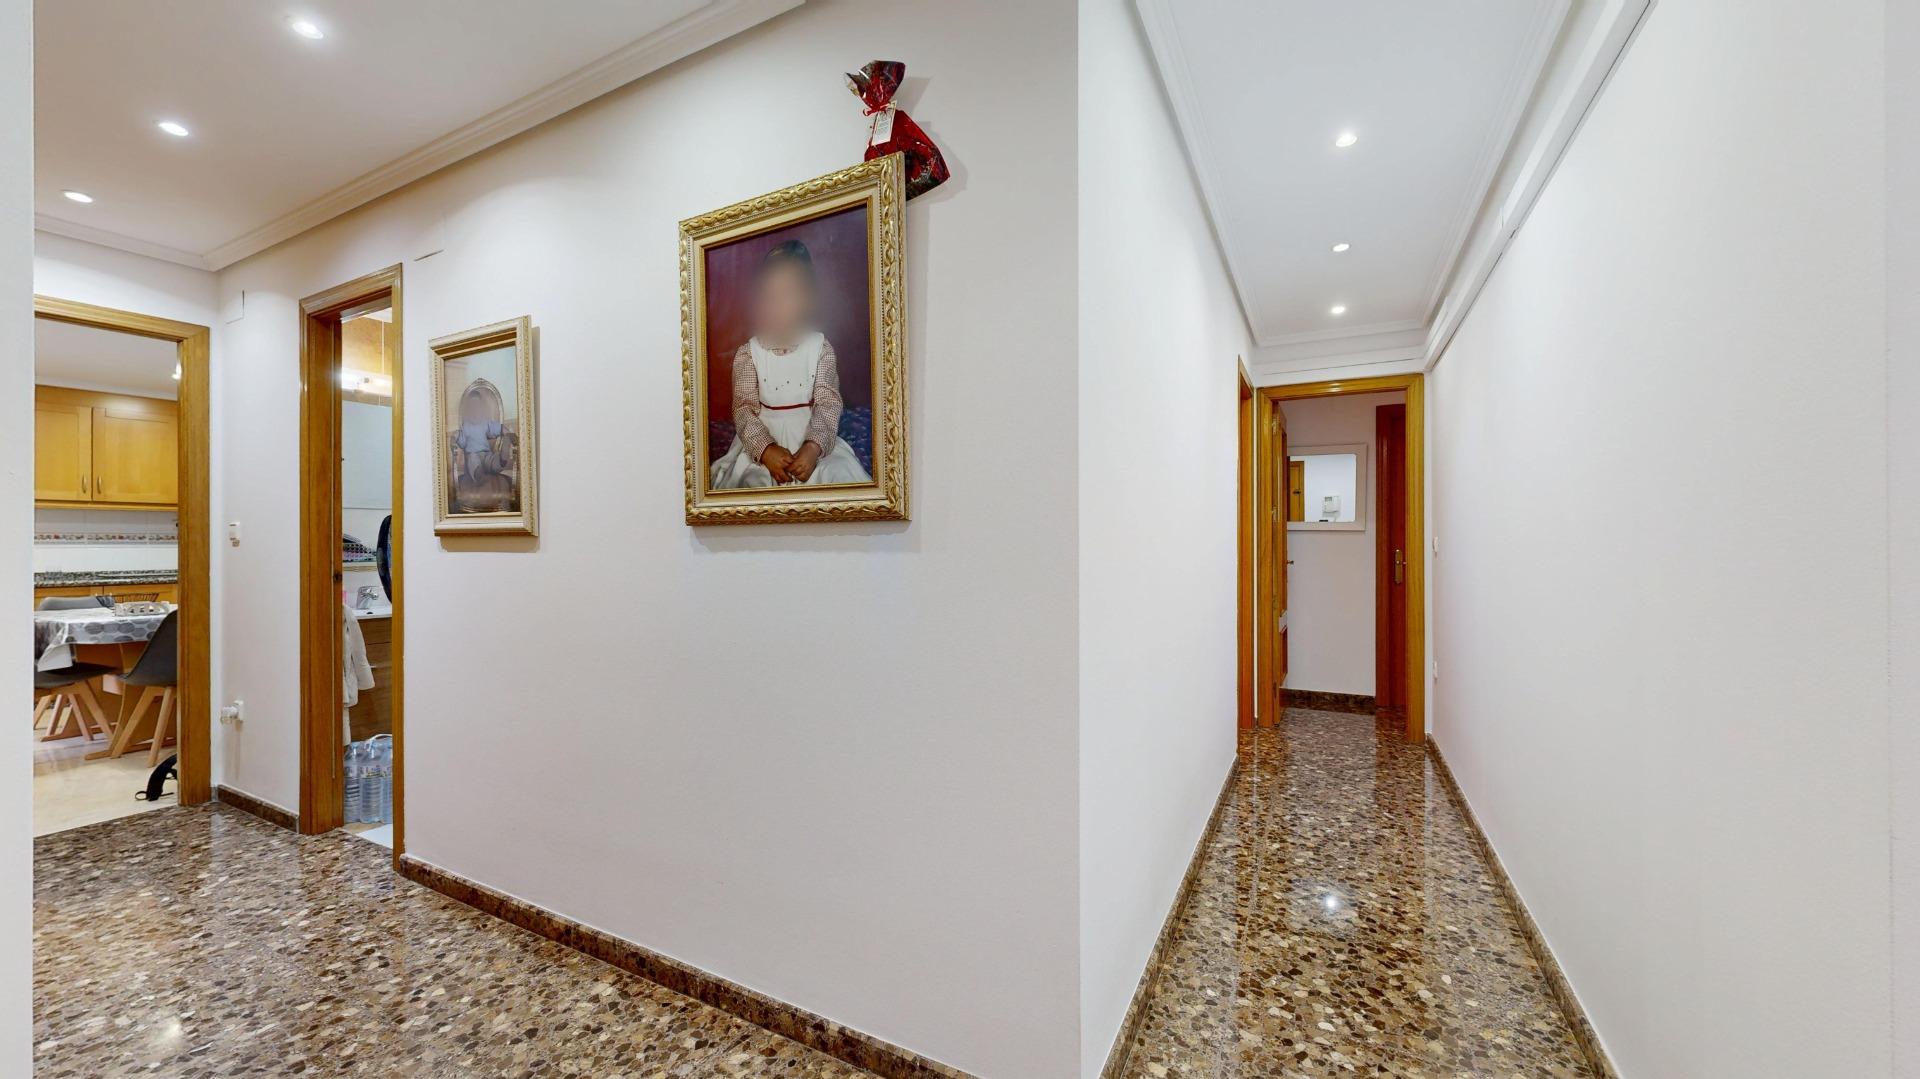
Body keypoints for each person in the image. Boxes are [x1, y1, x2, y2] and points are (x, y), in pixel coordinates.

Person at [709, 240, 872, 489]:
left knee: (838, 474)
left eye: (787, 294)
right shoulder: (749, 354)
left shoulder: (820, 348)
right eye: (769, 296)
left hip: (810, 439)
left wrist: (813, 447)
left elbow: (828, 404)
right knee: (753, 483)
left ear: (806, 300)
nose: (777, 306)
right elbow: (743, 410)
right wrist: (765, 449)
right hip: (763, 445)